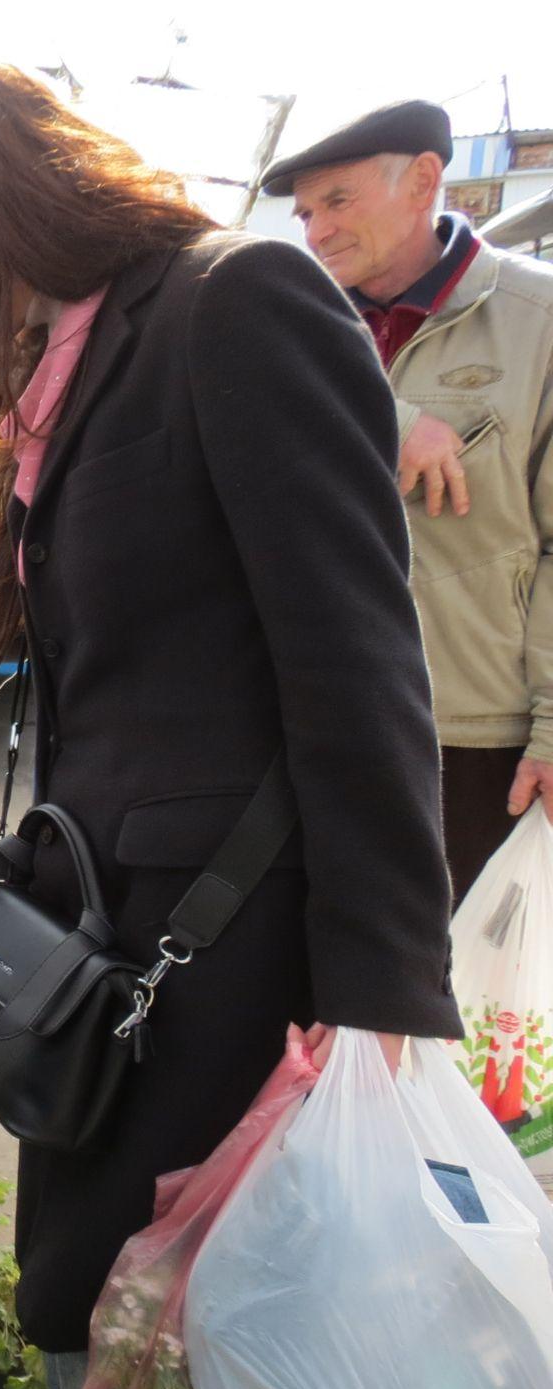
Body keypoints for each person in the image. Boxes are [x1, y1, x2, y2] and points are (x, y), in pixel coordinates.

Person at [0, 66, 459, 1389]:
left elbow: (358, 658)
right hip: (123, 946)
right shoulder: (83, 354)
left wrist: (382, 1001)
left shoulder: (233, 300)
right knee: (115, 1319)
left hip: (237, 958)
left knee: (181, 1342)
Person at [267, 100, 553, 901]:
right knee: (315, 1001)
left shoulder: (540, 318)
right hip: (306, 721)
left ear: (425, 180)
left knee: (462, 998)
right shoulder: (296, 332)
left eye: (338, 202)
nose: (315, 232)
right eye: (305, 213)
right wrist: (384, 420)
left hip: (467, 735)